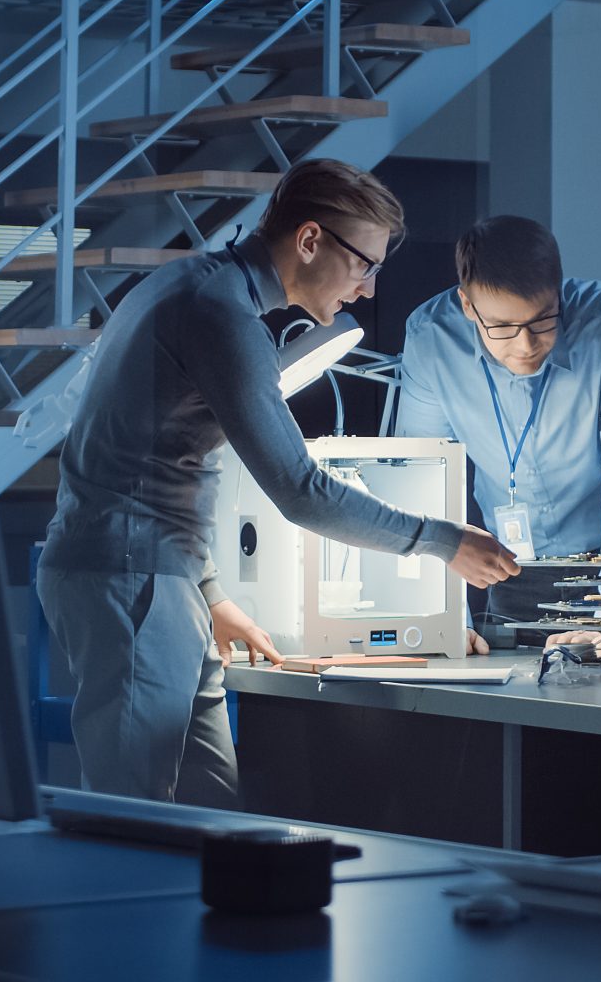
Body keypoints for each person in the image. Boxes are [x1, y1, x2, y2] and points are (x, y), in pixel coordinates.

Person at [37, 159, 520, 804]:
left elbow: (156, 458)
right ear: (310, 240)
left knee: (215, 810)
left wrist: (209, 593)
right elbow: (300, 490)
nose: (369, 290)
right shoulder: (222, 316)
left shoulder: (192, 283)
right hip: (131, 580)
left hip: (154, 576)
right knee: (131, 818)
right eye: (364, 265)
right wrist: (443, 541)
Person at [393, 214, 601, 647]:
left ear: (558, 293)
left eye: (542, 320)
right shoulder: (431, 338)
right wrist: (446, 616)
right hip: (503, 567)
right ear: (468, 305)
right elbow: (422, 480)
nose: (526, 346)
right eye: (502, 327)